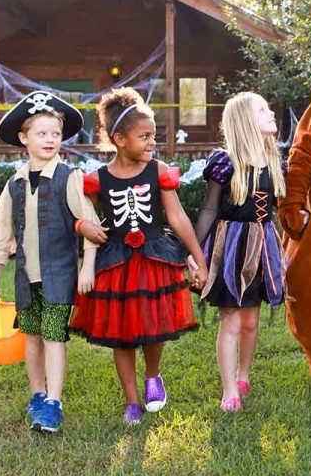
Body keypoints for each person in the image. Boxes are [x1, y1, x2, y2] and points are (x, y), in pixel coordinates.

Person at [69, 88, 208, 424]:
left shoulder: (158, 171)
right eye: (144, 136)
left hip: (155, 257)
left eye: (153, 136)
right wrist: (80, 225)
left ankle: (152, 375)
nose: (151, 143)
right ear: (119, 139)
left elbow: (176, 217)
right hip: (116, 262)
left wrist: (199, 260)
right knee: (122, 333)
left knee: (154, 324)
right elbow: (79, 215)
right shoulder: (97, 180)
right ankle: (131, 401)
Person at [0, 91, 106, 433]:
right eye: (42, 133)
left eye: (55, 133)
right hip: (26, 278)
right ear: (24, 138)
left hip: (58, 276)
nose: (50, 139)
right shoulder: (14, 184)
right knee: (32, 336)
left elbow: (90, 224)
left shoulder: (70, 178)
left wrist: (87, 265)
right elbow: (4, 234)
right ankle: (37, 394)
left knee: (54, 336)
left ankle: (54, 402)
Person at [193, 93, 287, 412]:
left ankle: (243, 375)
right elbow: (208, 209)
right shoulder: (224, 162)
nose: (271, 113)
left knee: (250, 321)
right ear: (246, 121)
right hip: (231, 246)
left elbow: (279, 212)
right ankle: (229, 389)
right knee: (231, 320)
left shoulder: (274, 162)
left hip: (262, 246)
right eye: (263, 110)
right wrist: (194, 252)